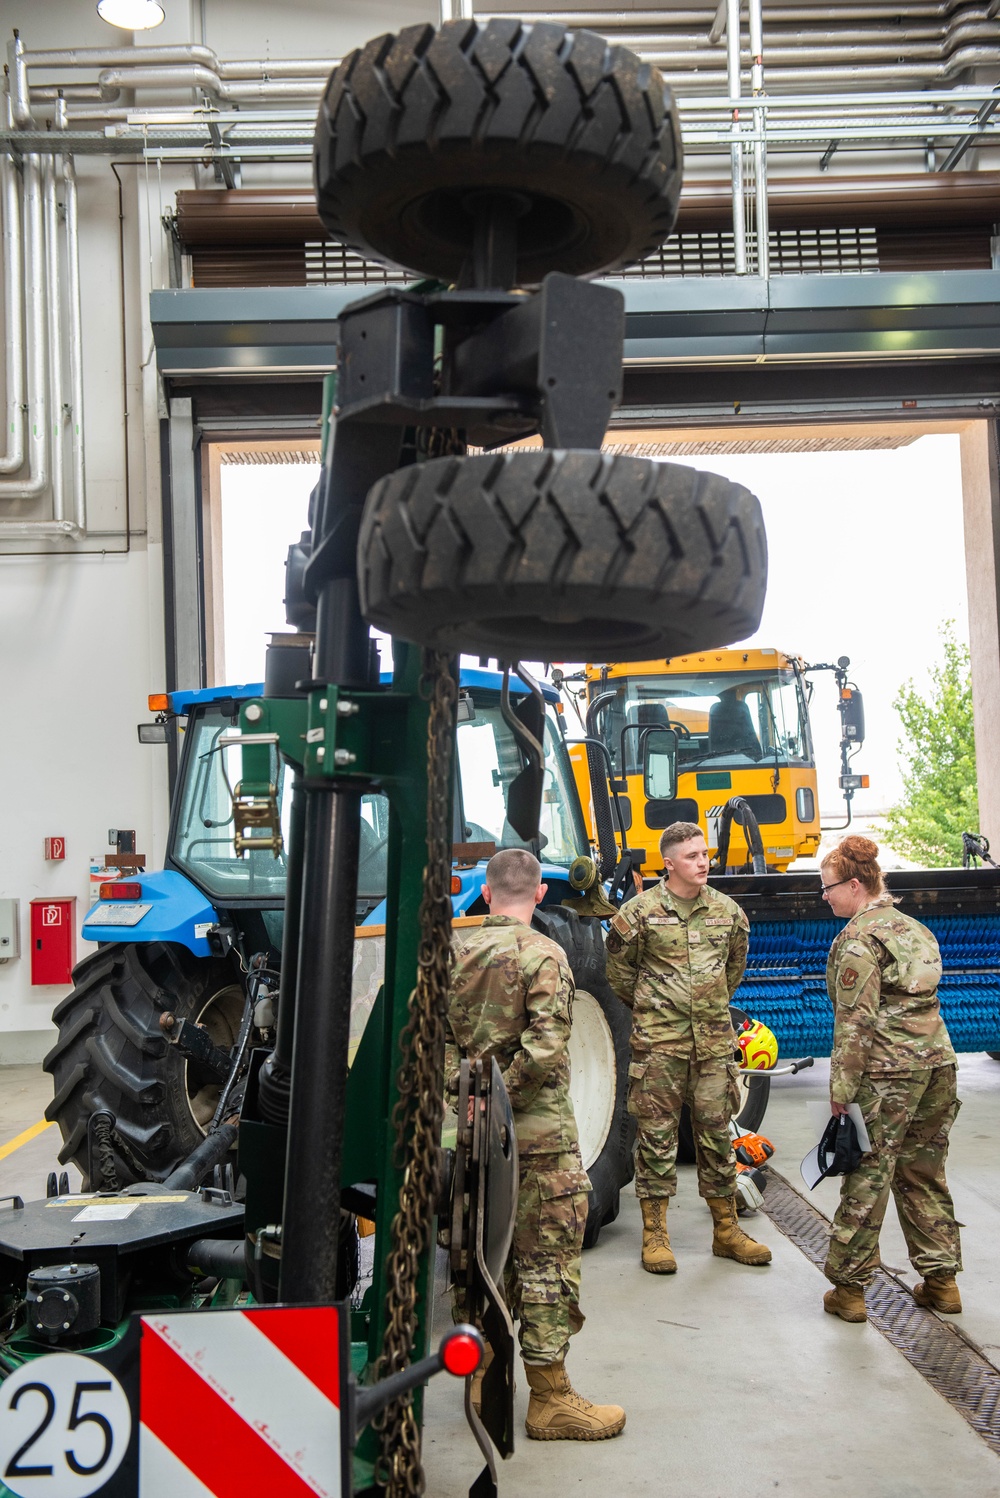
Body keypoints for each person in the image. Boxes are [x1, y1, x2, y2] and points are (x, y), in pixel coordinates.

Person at [446, 847, 626, 1441]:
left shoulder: (453, 954)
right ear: (540, 895)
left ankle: (481, 1382)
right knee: (546, 1261)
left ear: (487, 894)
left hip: (472, 1137)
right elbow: (548, 1047)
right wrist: (505, 1096)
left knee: (478, 1256)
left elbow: (434, 1044)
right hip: (539, 1140)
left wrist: (471, 1095)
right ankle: (548, 1400)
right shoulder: (545, 955)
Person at [605, 821, 771, 1273]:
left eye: (705, 854)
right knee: (656, 1139)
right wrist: (660, 1008)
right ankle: (656, 1234)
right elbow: (620, 976)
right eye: (693, 856)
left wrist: (705, 1005)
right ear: (669, 862)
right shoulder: (637, 914)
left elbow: (732, 970)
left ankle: (726, 1230)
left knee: (717, 1136)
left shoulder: (728, 913)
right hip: (660, 1046)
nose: (704, 862)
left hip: (714, 1045)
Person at [819, 834, 963, 1323]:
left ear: (855, 885)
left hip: (888, 1073)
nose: (826, 897)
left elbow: (855, 1021)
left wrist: (841, 1091)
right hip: (937, 1064)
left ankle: (850, 1290)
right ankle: (942, 1282)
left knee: (868, 1172)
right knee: (924, 1170)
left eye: (829, 888)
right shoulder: (914, 928)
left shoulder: (859, 938)